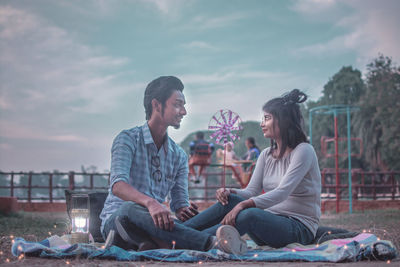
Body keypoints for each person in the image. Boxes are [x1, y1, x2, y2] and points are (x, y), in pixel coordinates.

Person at [99, 76, 244, 254]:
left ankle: (164, 243)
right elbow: (118, 186)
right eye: (177, 104)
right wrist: (151, 203)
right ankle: (211, 243)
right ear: (157, 105)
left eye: (183, 106)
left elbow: (179, 203)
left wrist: (184, 209)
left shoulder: (179, 155)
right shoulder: (127, 139)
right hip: (120, 222)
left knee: (233, 203)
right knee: (129, 209)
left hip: (160, 225)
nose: (183, 111)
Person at [184, 89, 321, 249]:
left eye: (267, 118)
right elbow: (251, 191)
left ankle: (186, 240)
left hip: (298, 229)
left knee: (248, 213)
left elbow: (283, 192)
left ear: (284, 121)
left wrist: (243, 205)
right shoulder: (266, 154)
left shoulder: (304, 150)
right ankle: (181, 231)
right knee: (232, 200)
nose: (262, 123)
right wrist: (230, 191)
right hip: (266, 224)